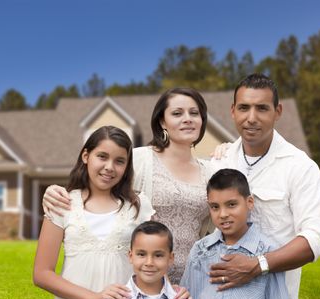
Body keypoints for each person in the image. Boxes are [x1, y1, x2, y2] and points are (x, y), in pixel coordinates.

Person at [208, 73, 320, 299]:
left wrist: (258, 265)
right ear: (232, 111)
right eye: (244, 107)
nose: (251, 117)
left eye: (262, 108)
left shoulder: (299, 167)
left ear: (278, 111)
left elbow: (318, 238)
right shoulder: (219, 162)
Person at [43, 87, 214, 284]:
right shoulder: (139, 159)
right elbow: (98, 182)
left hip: (193, 279)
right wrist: (52, 191)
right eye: (177, 113)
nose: (188, 119)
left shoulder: (211, 172)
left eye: (194, 113)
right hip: (140, 280)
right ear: (162, 121)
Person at [33, 126, 155, 299]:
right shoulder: (62, 204)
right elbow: (42, 274)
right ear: (86, 156)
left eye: (120, 161)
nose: (110, 167)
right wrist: (95, 297)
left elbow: (155, 259)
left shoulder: (138, 206)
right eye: (102, 156)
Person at [181, 169, 290, 299]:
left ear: (249, 203)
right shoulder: (200, 251)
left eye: (231, 205)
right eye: (215, 207)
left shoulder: (268, 253)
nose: (223, 214)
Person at [90, 221, 199, 299]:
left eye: (158, 255)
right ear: (130, 256)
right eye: (141, 254)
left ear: (171, 258)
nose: (149, 262)